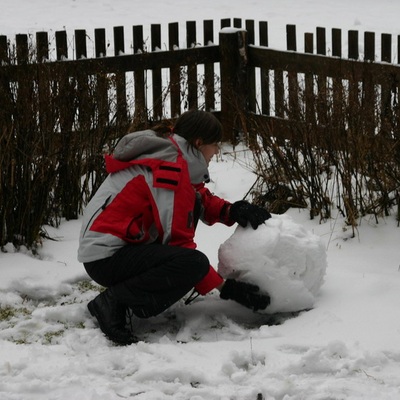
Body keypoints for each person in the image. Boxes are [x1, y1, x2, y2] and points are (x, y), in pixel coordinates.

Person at [78, 109, 271, 345]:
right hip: (107, 258)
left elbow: (194, 195)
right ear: (199, 143)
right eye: (215, 145)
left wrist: (232, 211)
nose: (217, 151)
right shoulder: (170, 169)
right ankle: (113, 303)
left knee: (188, 264)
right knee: (192, 264)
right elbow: (179, 244)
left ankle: (121, 296)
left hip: (109, 253)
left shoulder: (171, 157)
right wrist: (227, 288)